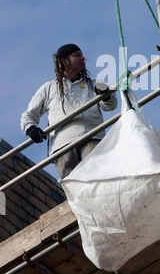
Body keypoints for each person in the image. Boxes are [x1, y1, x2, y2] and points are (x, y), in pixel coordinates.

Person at [21, 44, 117, 179]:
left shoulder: (94, 84)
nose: (83, 58)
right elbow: (29, 115)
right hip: (62, 146)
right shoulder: (49, 88)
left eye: (82, 55)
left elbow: (110, 106)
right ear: (64, 61)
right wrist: (31, 129)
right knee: (74, 185)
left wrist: (106, 95)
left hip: (92, 138)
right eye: (77, 55)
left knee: (99, 178)